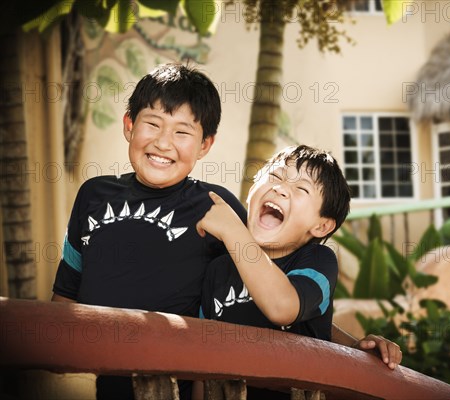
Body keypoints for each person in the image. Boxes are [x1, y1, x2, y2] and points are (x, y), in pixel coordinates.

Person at [50, 63, 400, 400]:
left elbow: (276, 291)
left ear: (205, 145)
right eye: (152, 124)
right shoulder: (93, 195)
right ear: (129, 125)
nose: (163, 142)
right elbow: (66, 293)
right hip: (99, 381)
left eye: (182, 132)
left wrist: (353, 346)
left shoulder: (220, 211)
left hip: (174, 387)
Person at [196, 145, 400, 398]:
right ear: (251, 192)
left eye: (301, 189)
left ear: (321, 225)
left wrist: (233, 232)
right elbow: (202, 357)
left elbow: (283, 307)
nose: (280, 188)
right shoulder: (219, 269)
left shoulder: (317, 261)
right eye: (275, 177)